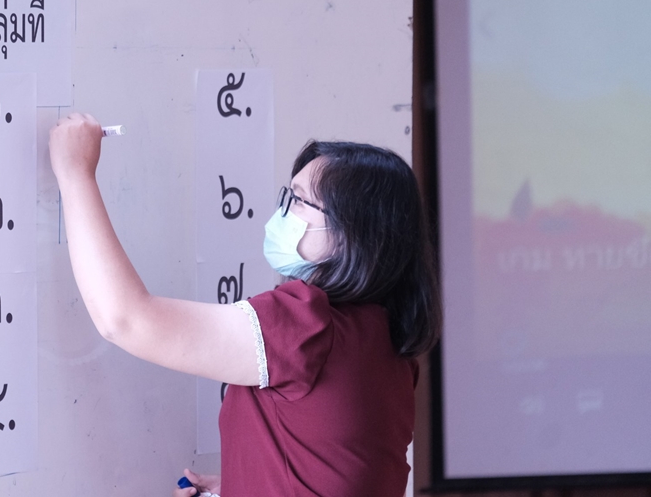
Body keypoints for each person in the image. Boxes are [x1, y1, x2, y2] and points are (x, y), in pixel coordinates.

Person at [48, 113, 442, 497]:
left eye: (300, 201)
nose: (283, 212)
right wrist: (243, 483)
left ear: (354, 232)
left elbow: (125, 319)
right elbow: (335, 465)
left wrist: (76, 173)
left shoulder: (304, 324)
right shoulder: (388, 341)